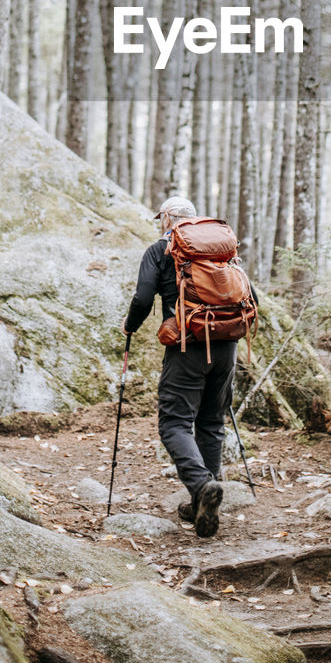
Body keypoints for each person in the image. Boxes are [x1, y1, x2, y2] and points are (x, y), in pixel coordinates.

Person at [121, 195, 249, 539]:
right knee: (211, 422)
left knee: (174, 423)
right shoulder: (220, 247)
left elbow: (143, 298)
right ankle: (203, 500)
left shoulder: (159, 250)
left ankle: (202, 484)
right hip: (227, 344)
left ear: (166, 219)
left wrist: (130, 326)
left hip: (187, 344)